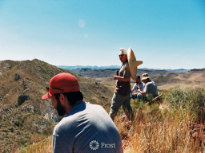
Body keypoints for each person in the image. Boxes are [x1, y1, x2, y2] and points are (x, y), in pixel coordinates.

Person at [41, 73, 123, 153]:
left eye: (53, 99)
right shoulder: (99, 108)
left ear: (62, 98)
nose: (52, 104)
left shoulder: (62, 129)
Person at [109, 48, 133, 121]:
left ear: (126, 55)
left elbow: (127, 78)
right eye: (119, 55)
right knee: (127, 108)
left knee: (113, 108)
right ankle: (133, 123)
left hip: (120, 92)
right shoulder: (125, 64)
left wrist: (117, 78)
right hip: (126, 92)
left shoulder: (126, 65)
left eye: (122, 55)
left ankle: (108, 125)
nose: (120, 57)